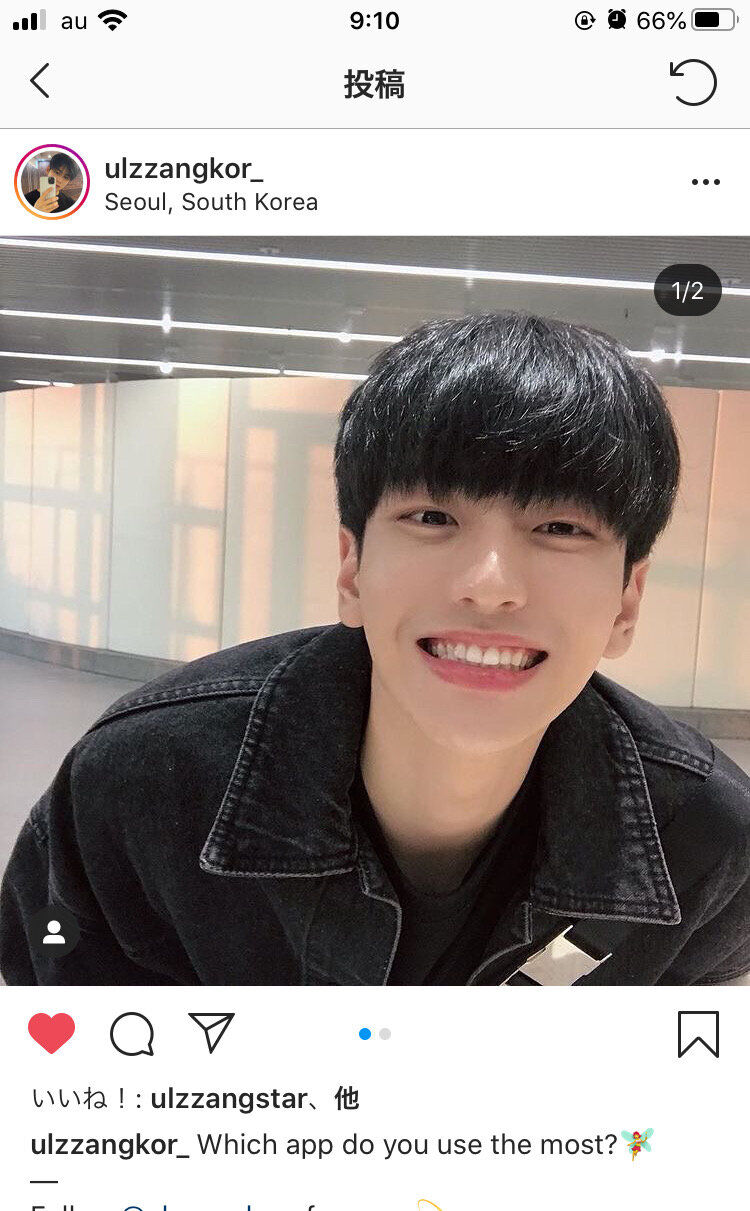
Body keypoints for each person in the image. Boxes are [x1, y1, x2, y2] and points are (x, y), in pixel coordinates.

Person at [1, 312, 749, 986]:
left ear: (626, 602)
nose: (490, 586)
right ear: (351, 570)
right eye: (432, 517)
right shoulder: (143, 787)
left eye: (561, 529)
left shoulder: (706, 843)